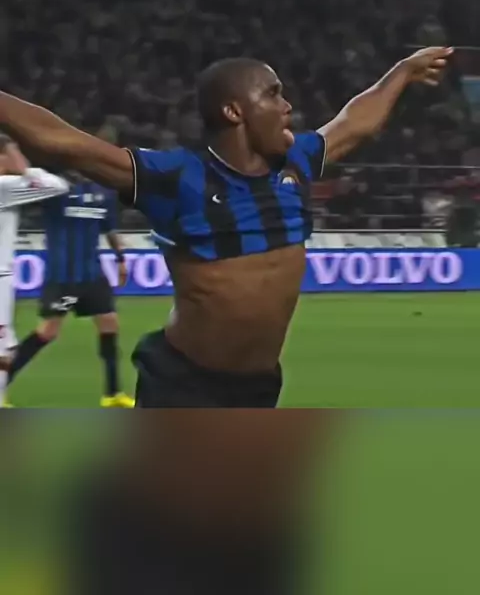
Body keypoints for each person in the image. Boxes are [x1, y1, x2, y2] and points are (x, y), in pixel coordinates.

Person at [0, 47, 453, 407]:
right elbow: (64, 142)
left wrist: (402, 72)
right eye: (272, 95)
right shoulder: (179, 177)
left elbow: (355, 123)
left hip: (259, 387)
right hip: (183, 386)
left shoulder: (296, 161)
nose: (287, 106)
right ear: (235, 112)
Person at [6, 171, 134, 407]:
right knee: (48, 331)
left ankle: (113, 393)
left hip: (92, 274)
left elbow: (110, 230)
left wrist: (121, 259)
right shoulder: (56, 190)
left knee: (109, 323)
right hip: (62, 277)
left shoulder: (103, 193)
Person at [0, 136, 70, 407]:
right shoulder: (5, 188)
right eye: (10, 153)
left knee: (7, 348)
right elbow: (58, 186)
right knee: (3, 349)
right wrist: (23, 165)